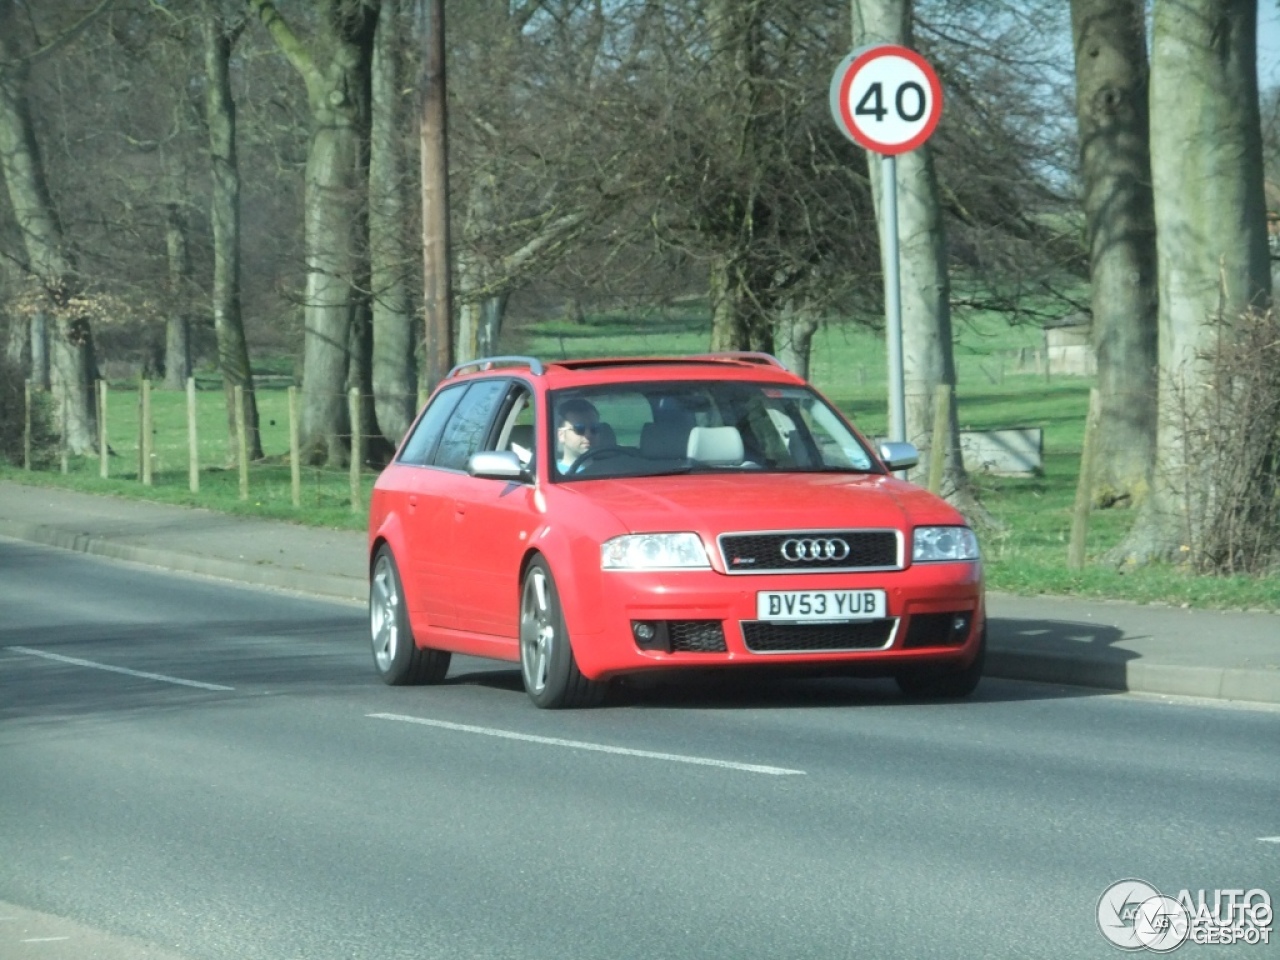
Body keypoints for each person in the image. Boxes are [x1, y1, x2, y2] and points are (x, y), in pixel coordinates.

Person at [555, 397, 602, 473]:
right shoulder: (550, 473)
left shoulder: (612, 469)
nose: (588, 435)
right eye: (579, 429)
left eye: (594, 428)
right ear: (561, 435)